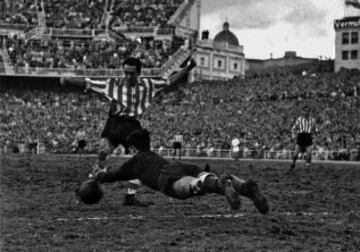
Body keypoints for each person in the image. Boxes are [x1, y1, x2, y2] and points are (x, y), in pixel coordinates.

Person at [62, 56, 196, 206]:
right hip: (114, 122)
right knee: (103, 153)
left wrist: (187, 68)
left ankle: (130, 196)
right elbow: (89, 83)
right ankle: (87, 189)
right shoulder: (112, 84)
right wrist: (70, 79)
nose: (127, 76)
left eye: (131, 73)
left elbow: (170, 80)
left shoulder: (149, 85)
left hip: (133, 126)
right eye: (125, 73)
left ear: (138, 73)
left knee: (141, 162)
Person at [80, 129, 269, 214]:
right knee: (209, 181)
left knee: (195, 186)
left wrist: (98, 177)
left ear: (133, 149)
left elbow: (114, 176)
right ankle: (244, 186)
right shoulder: (151, 154)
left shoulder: (135, 162)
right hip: (179, 165)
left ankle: (223, 183)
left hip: (165, 177)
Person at [290, 105, 318, 171]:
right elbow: (293, 128)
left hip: (308, 136)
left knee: (309, 153)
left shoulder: (312, 120)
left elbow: (315, 129)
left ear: (309, 112)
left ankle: (307, 166)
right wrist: (293, 135)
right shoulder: (299, 119)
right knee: (295, 154)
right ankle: (293, 163)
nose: (306, 112)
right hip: (301, 137)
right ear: (302, 111)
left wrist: (316, 137)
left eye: (307, 111)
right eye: (305, 110)